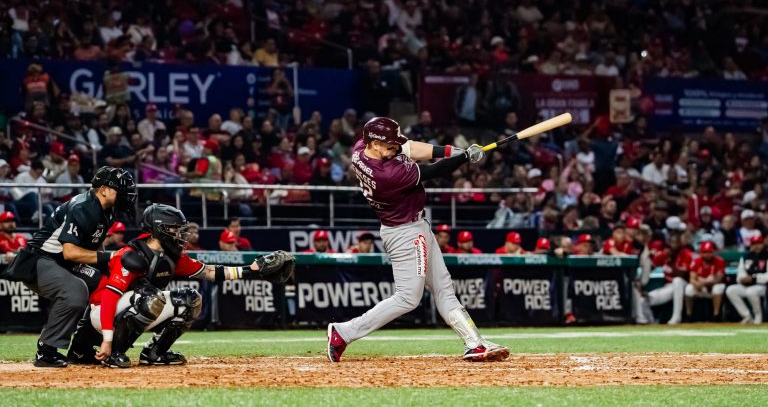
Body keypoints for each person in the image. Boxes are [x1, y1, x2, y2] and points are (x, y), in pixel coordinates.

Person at [327, 116, 508, 363]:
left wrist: (454, 151)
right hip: (405, 232)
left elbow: (410, 147)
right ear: (376, 144)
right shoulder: (387, 174)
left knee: (444, 287)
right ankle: (344, 332)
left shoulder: (363, 147)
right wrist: (463, 158)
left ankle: (474, 343)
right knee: (407, 298)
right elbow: (434, 170)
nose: (395, 147)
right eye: (390, 144)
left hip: (414, 225)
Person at [67, 204, 294, 367]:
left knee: (191, 299)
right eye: (176, 229)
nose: (180, 235)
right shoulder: (130, 255)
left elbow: (209, 271)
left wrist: (250, 270)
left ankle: (155, 353)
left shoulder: (172, 256)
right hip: (101, 315)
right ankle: (115, 353)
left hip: (134, 305)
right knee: (152, 296)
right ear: (160, 229)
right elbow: (108, 297)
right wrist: (107, 340)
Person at [1, 167, 135, 367]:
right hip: (40, 259)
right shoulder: (83, 207)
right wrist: (112, 256)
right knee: (75, 291)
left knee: (109, 284)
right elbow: (70, 252)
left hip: (65, 261)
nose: (125, 194)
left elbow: (95, 243)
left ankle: (81, 348)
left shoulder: (107, 209)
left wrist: (108, 266)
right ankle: (46, 350)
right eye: (120, 190)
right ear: (104, 189)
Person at [647, 232, 691, 325]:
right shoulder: (665, 253)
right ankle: (649, 321)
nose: (674, 245)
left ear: (680, 243)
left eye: (676, 242)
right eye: (672, 242)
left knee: (677, 281)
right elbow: (652, 265)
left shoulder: (686, 254)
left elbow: (682, 274)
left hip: (685, 285)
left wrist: (671, 261)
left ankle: (676, 317)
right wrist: (659, 255)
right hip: (668, 286)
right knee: (647, 299)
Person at [726, 235, 768, 324]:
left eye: (759, 243)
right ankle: (747, 316)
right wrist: (742, 279)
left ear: (763, 244)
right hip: (747, 285)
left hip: (762, 286)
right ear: (751, 245)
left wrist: (753, 278)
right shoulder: (746, 257)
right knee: (731, 290)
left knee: (751, 292)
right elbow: (740, 272)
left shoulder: (766, 256)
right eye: (754, 244)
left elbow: (767, 276)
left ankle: (758, 316)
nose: (757, 246)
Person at [684, 241, 726, 321]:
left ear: (713, 252)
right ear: (701, 253)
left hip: (713, 286)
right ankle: (688, 315)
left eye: (709, 252)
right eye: (705, 252)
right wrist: (697, 284)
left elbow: (719, 278)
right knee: (688, 289)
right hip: (700, 287)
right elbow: (692, 278)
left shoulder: (719, 261)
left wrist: (706, 282)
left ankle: (716, 315)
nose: (707, 254)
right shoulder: (696, 261)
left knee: (717, 288)